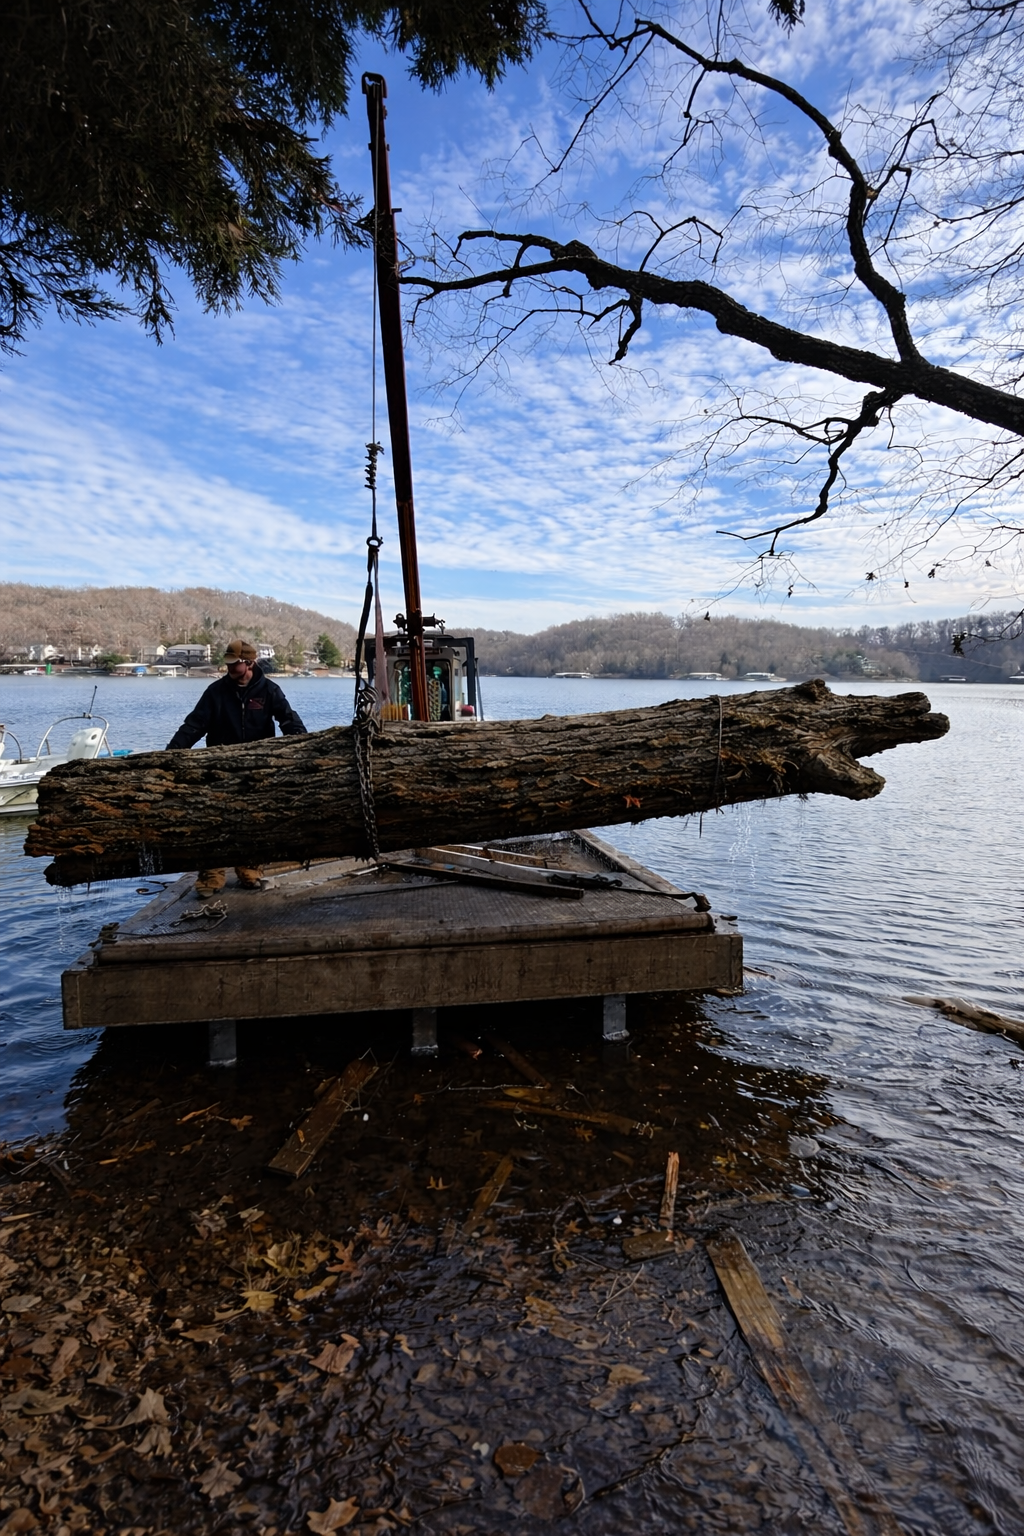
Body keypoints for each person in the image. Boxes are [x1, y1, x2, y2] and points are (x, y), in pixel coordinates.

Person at [166, 638, 307, 895]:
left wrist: (304, 748)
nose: (229, 668)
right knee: (214, 820)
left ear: (250, 663)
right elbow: (194, 725)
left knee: (253, 820)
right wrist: (172, 753)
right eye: (228, 663)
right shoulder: (215, 692)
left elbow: (289, 720)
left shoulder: (270, 691)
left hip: (257, 768)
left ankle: (250, 870)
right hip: (219, 767)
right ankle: (211, 876)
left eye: (235, 664)